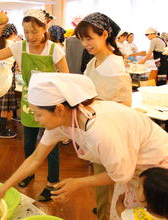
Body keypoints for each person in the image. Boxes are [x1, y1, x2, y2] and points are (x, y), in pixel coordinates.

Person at [0, 73, 168, 219]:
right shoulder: (63, 121)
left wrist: (77, 183)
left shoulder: (100, 130)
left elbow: (121, 175)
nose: (35, 120)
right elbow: (36, 158)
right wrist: (4, 188)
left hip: (158, 169)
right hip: (132, 166)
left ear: (59, 109)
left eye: (38, 115)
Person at [0, 9, 69, 201]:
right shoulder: (19, 47)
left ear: (44, 28)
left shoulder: (54, 49)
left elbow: (66, 78)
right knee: (29, 143)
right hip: (29, 103)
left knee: (52, 146)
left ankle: (52, 183)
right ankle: (28, 174)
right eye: (26, 32)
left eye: (34, 31)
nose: (30, 36)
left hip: (50, 106)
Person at [74, 12, 132, 219]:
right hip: (95, 127)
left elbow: (125, 104)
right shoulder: (94, 62)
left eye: (89, 38)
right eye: (82, 39)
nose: (85, 44)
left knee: (106, 180)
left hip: (108, 130)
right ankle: (103, 210)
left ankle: (104, 214)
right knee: (101, 179)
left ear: (105, 34)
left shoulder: (114, 65)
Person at [0, 24, 18, 139]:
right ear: (13, 34)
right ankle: (3, 131)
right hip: (7, 78)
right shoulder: (12, 45)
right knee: (5, 106)